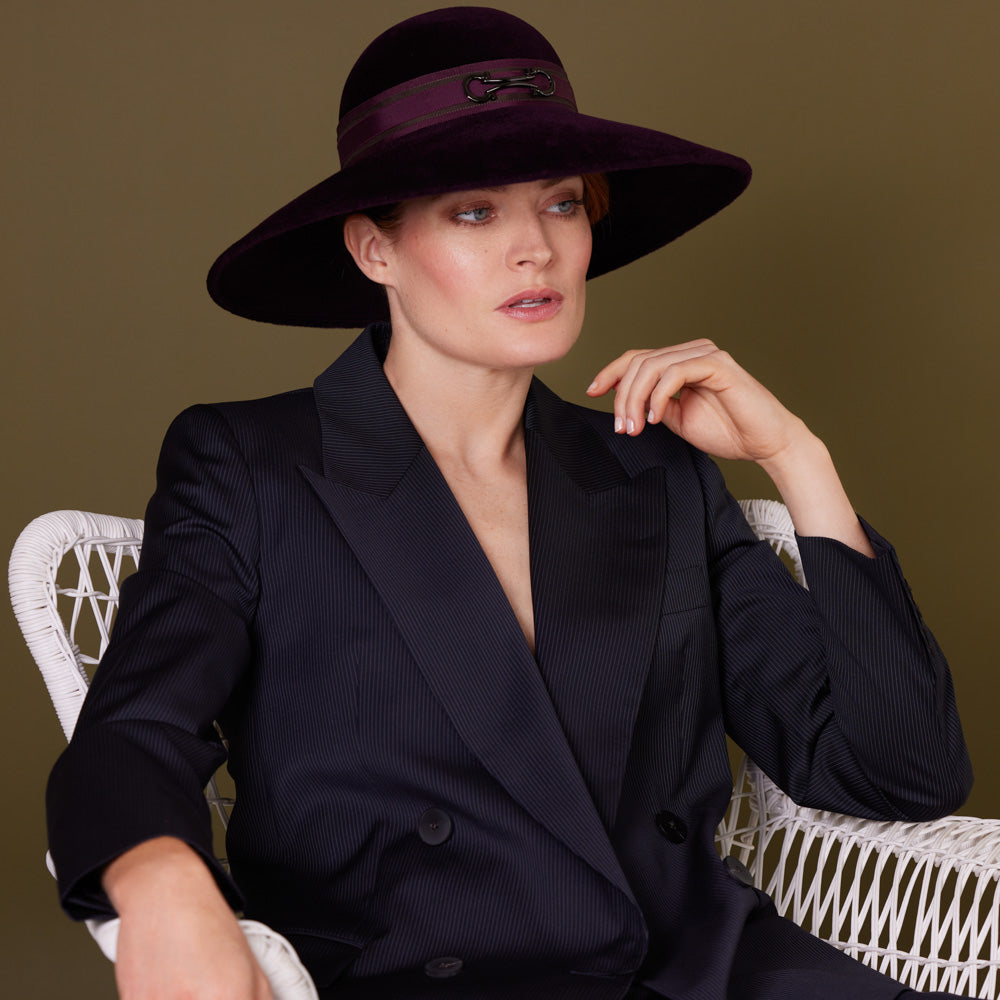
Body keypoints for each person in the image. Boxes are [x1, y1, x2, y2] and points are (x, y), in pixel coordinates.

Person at [46, 7, 972, 1000]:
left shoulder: (650, 472)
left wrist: (796, 456)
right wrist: (165, 882)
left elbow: (898, 775)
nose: (536, 247)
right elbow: (135, 730)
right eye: (474, 211)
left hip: (706, 974)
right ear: (373, 251)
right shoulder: (253, 463)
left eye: (562, 203)